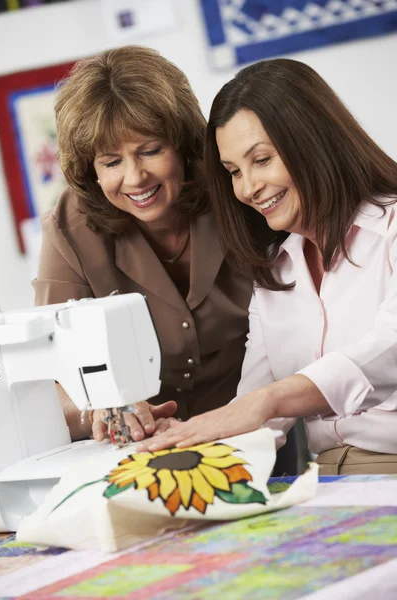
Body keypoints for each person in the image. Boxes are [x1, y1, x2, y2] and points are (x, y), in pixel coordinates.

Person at [138, 58, 397, 476]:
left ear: (315, 141)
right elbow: (255, 419)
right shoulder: (276, 273)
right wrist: (185, 440)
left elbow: (388, 352)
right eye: (233, 172)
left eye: (261, 160)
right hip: (328, 481)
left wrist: (271, 400)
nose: (247, 188)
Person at [34, 46, 254, 446]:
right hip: (139, 450)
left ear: (182, 147)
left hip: (254, 429)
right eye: (111, 162)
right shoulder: (70, 227)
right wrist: (97, 404)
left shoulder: (238, 189)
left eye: (150, 150)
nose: (135, 178)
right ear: (90, 169)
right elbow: (46, 378)